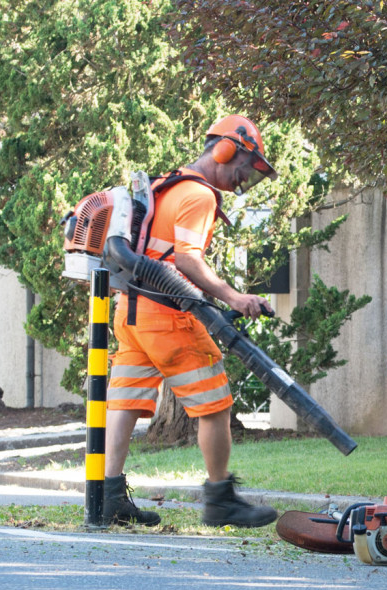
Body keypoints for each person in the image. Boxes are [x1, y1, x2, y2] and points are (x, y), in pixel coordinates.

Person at [102, 115, 279, 528]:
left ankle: (109, 496)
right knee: (215, 404)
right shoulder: (199, 195)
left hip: (130, 311)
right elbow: (186, 260)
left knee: (125, 401)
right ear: (225, 150)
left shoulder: (168, 186)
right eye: (244, 168)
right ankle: (220, 499)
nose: (243, 180)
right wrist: (235, 297)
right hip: (168, 315)